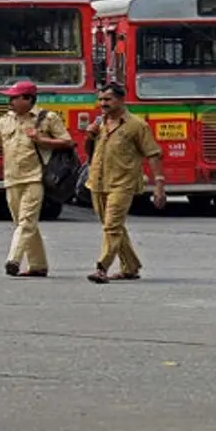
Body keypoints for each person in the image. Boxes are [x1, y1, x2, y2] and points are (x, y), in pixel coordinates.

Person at [0, 80, 72, 277]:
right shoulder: (5, 120)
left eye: (14, 97)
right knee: (24, 224)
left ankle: (13, 259)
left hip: (35, 177)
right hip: (11, 178)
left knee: (26, 222)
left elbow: (67, 142)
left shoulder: (47, 118)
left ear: (28, 99)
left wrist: (41, 140)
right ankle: (38, 265)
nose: (10, 101)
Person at [84, 83, 166, 284]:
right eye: (101, 99)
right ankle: (130, 267)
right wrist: (89, 135)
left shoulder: (137, 125)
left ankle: (102, 268)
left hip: (123, 183)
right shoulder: (99, 123)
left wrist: (159, 184)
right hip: (98, 182)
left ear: (121, 100)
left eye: (108, 99)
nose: (103, 103)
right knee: (112, 226)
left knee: (112, 226)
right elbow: (90, 153)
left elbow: (153, 154)